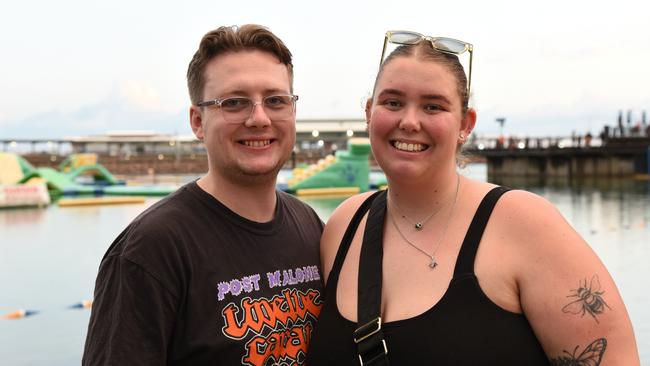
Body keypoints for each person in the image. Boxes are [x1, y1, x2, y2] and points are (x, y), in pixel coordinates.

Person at [307, 30, 639, 365]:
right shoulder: (346, 225)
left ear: (466, 124)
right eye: (392, 102)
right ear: (369, 112)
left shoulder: (524, 224)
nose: (409, 121)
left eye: (433, 106)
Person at [82, 25, 324, 366]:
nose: (259, 118)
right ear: (197, 121)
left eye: (276, 101)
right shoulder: (151, 249)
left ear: (293, 112)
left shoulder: (309, 225)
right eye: (234, 102)